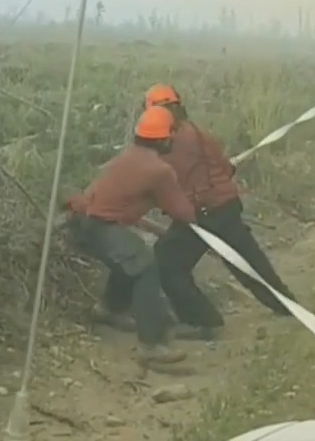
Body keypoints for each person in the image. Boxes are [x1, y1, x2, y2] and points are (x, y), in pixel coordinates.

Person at [143, 83, 297, 341]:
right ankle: (286, 305)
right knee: (247, 263)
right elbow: (225, 169)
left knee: (167, 263)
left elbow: (158, 181)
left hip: (202, 213)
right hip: (225, 206)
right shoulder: (198, 132)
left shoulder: (166, 143)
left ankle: (202, 321)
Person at [65, 104, 197, 368]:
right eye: (171, 134)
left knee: (130, 255)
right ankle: (152, 345)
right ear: (162, 138)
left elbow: (119, 206)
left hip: (84, 223)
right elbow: (185, 214)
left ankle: (108, 310)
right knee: (145, 265)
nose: (173, 139)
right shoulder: (159, 170)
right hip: (100, 226)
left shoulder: (127, 158)